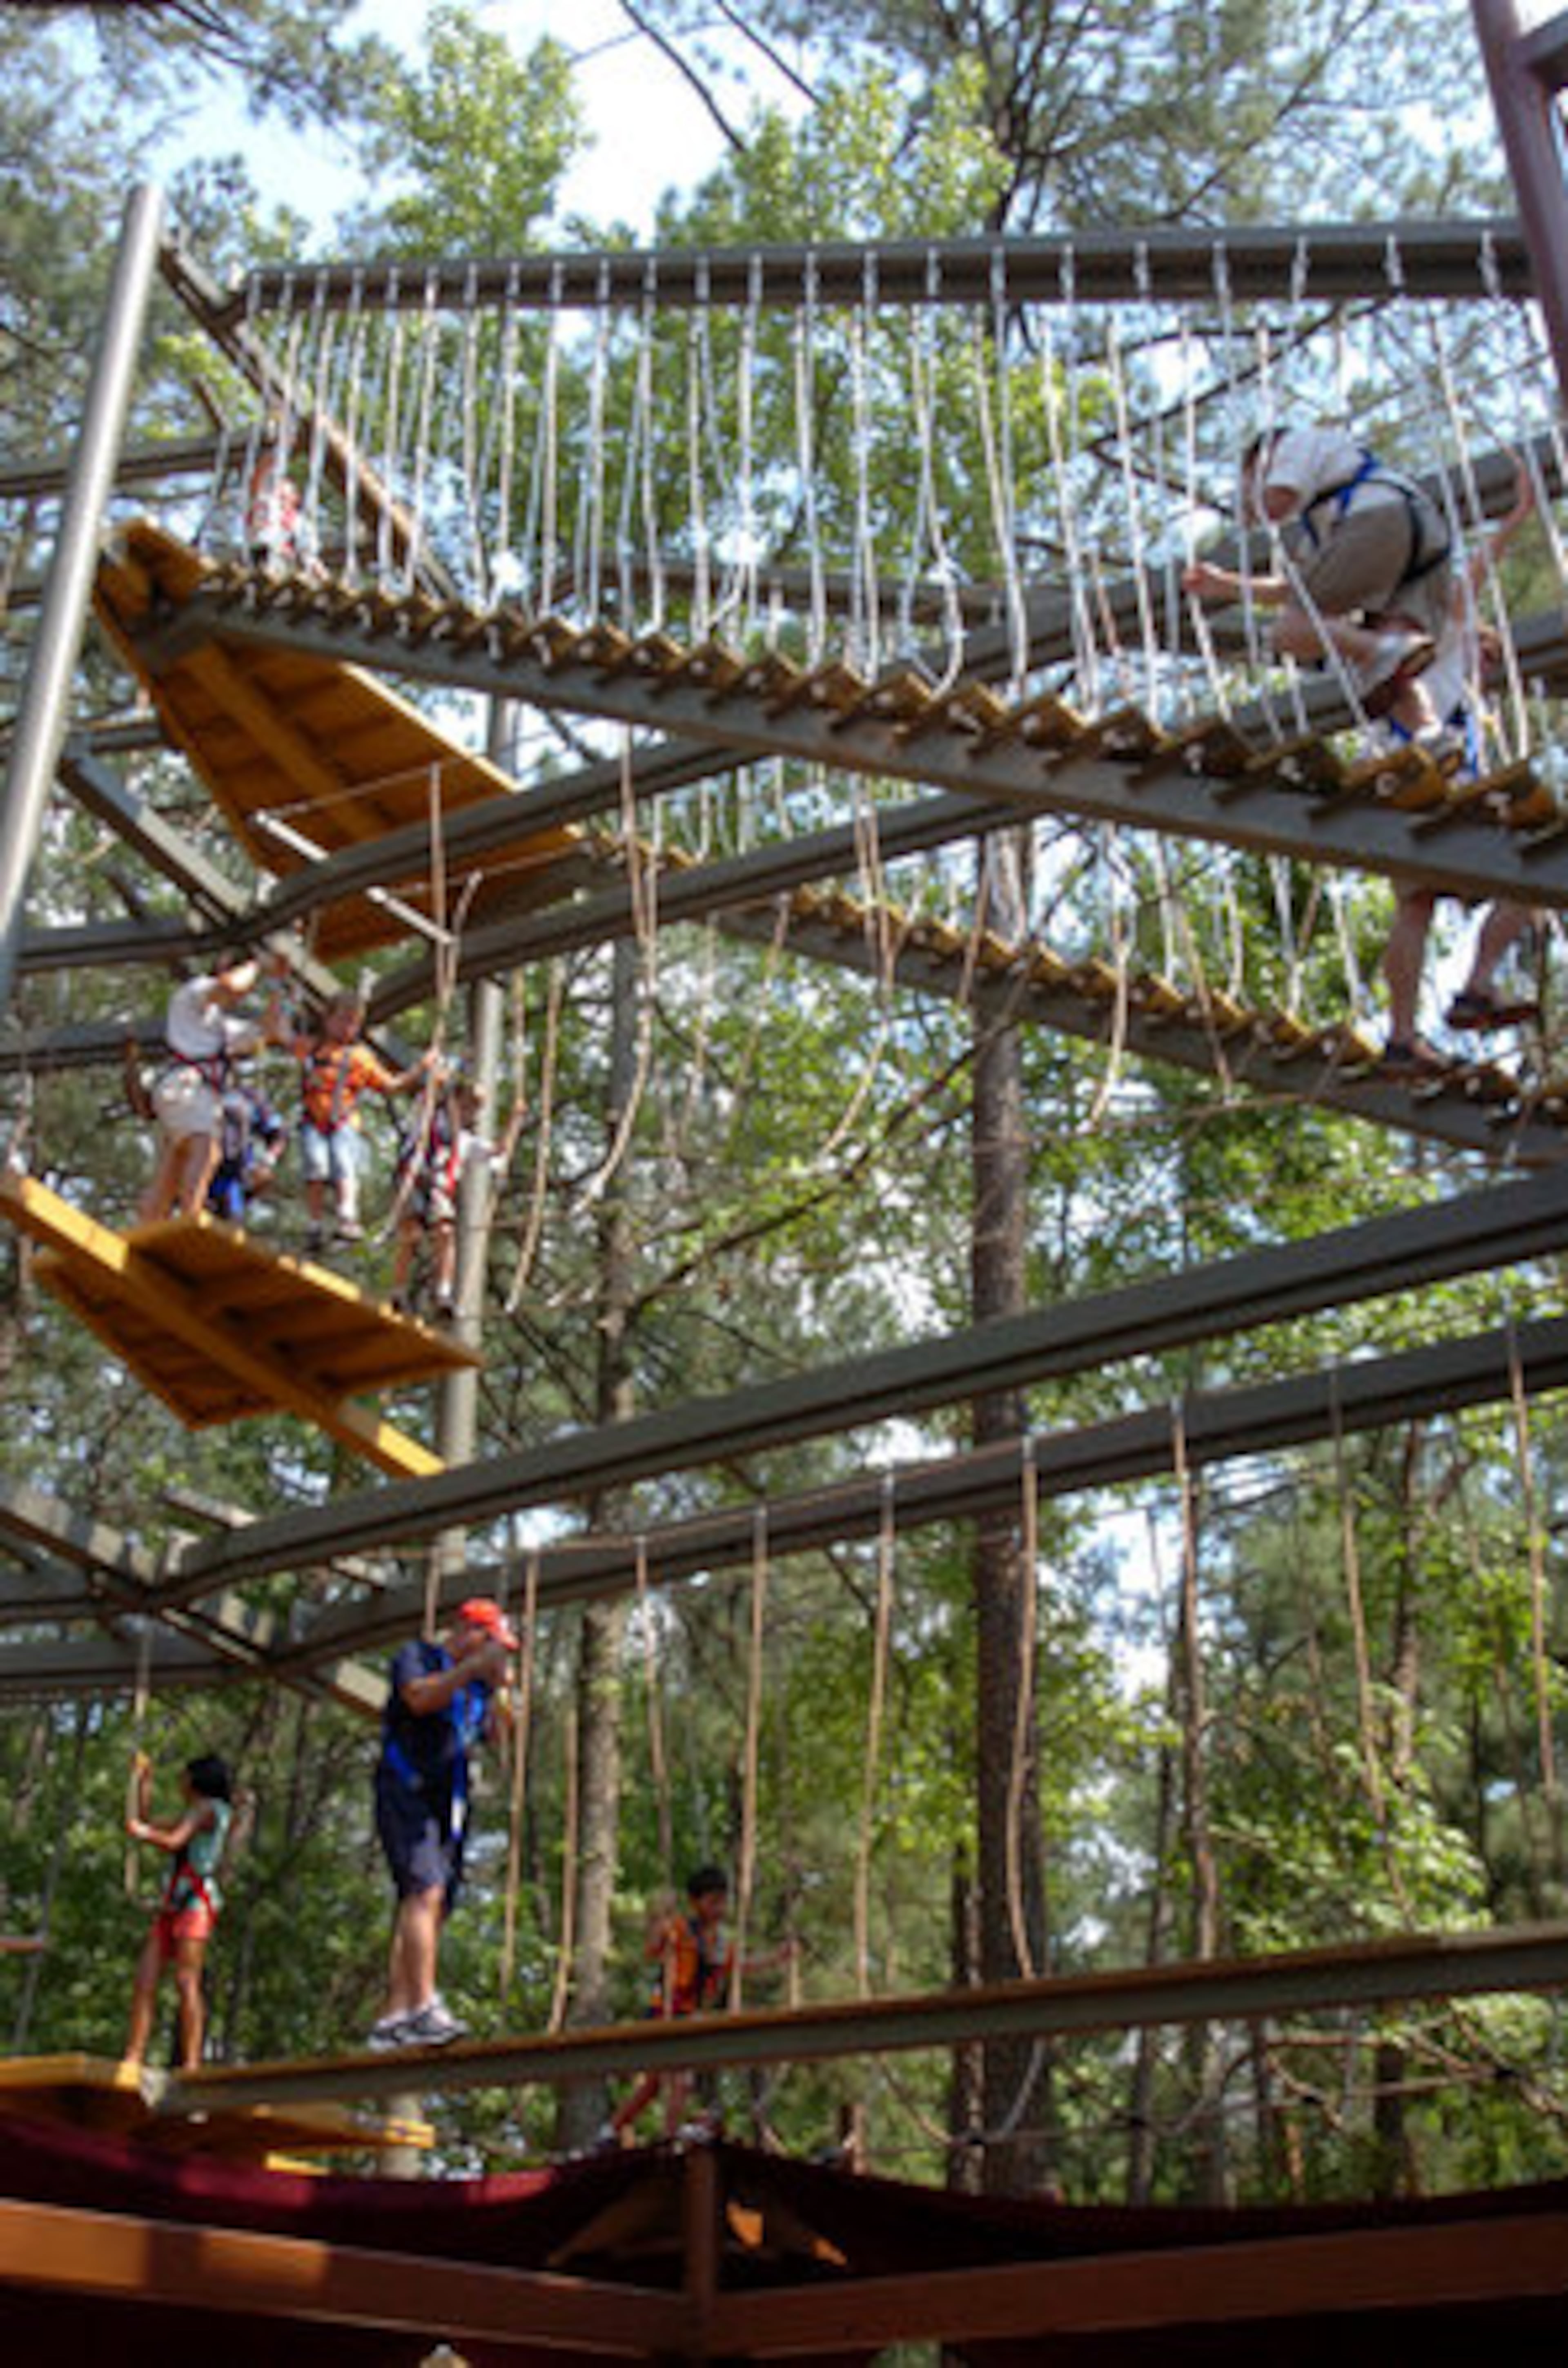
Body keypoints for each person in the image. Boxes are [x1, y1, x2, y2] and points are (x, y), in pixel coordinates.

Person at [1375, 455, 1545, 1071]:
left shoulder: (1445, 684)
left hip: (1413, 787)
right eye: (1486, 652)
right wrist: (1516, 518)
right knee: (1534, 871)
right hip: (1435, 779)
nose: (1486, 665)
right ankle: (1471, 988)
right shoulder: (1438, 644)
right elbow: (1471, 578)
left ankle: (1408, 1031)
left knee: (1419, 903)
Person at [1183, 421, 1454, 729]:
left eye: (1253, 478)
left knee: (1288, 633)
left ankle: (1380, 648)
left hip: (1378, 520)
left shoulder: (1294, 443)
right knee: (1391, 674)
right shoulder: (1326, 510)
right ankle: (1430, 731)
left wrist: (1246, 506)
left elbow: (1275, 503)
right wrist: (1227, 586)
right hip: (1423, 538)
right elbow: (1300, 587)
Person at [368, 1597, 517, 2050]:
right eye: (492, 1643)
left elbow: (497, 1744)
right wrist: (471, 1670)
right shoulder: (419, 1656)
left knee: (437, 1904)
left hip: (448, 1803)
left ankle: (395, 2015)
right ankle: (422, 2005)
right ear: (469, 1633)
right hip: (406, 1789)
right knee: (423, 1892)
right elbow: (419, 1698)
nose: (496, 1654)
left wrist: (505, 1701)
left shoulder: (479, 1690)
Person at [600, 1866, 797, 2146]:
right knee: (681, 2079)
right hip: (665, 2012)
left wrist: (777, 1958)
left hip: (687, 2013)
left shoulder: (718, 1942)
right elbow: (652, 1949)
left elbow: (738, 1966)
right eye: (712, 1901)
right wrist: (659, 1920)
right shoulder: (680, 1929)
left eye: (722, 1900)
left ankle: (611, 2130)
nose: (718, 1907)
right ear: (696, 1902)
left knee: (655, 2083)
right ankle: (668, 2137)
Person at [285, 988, 434, 1254]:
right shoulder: (312, 1048)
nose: (348, 1028)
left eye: (354, 1023)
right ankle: (315, 1222)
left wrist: (420, 1069)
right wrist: (280, 994)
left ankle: (347, 1215)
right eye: (343, 1020)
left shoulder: (359, 1057)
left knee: (344, 1164)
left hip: (343, 1121)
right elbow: (279, 1033)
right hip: (314, 1119)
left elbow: (390, 1085)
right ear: (327, 1019)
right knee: (316, 1167)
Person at [139, 955, 272, 1223]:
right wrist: (260, 964)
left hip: (191, 1094)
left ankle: (153, 1220)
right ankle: (192, 1218)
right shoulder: (195, 992)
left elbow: (266, 1031)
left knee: (176, 1160)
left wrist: (280, 988)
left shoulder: (221, 1026)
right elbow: (230, 987)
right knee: (206, 1150)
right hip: (186, 1087)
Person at [123, 1752, 234, 2072]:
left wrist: (143, 1833)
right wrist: (144, 1781)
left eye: (185, 1777)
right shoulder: (196, 1811)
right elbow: (147, 1820)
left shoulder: (208, 1809)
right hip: (176, 1901)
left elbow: (173, 1841)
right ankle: (134, 2054)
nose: (181, 1783)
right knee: (146, 1978)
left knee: (187, 1980)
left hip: (196, 1903)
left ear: (197, 1781)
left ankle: (192, 2061)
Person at [391, 1072, 513, 1321]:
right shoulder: (429, 1120)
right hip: (413, 1181)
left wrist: (515, 1122)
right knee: (411, 1236)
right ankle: (399, 1290)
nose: (470, 1111)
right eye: (466, 1104)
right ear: (454, 1101)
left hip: (437, 1189)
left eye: (475, 1108)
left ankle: (443, 1292)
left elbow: (498, 1152)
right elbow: (425, 1101)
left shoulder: (465, 1141)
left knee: (445, 1233)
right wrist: (437, 1081)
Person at [205, 1083, 289, 1225]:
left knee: (232, 1231)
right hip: (196, 1181)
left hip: (234, 1180)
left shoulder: (250, 1097)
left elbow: (279, 1133)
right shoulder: (190, 1092)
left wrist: (267, 1162)